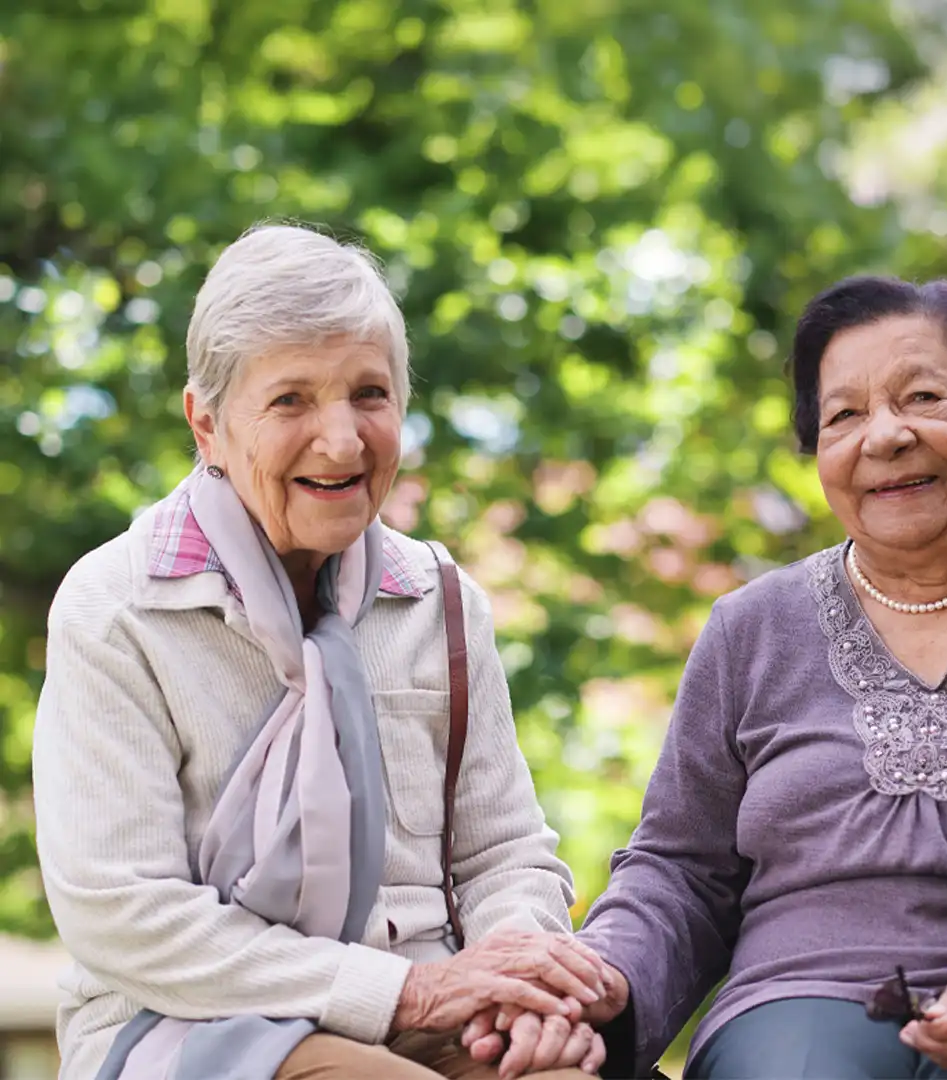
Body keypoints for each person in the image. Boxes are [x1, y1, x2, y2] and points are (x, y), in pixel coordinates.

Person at [462, 276, 947, 1079]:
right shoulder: (750, 629)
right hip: (796, 1008)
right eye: (844, 415)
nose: (885, 437)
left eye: (923, 397)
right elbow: (680, 871)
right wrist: (603, 980)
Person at [32, 224, 611, 1080]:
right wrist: (405, 994)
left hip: (440, 1006)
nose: (342, 442)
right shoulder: (117, 608)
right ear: (208, 423)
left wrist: (517, 981)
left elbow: (505, 853)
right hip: (191, 1023)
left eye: (369, 395)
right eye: (291, 400)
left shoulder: (441, 600)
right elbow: (123, 912)